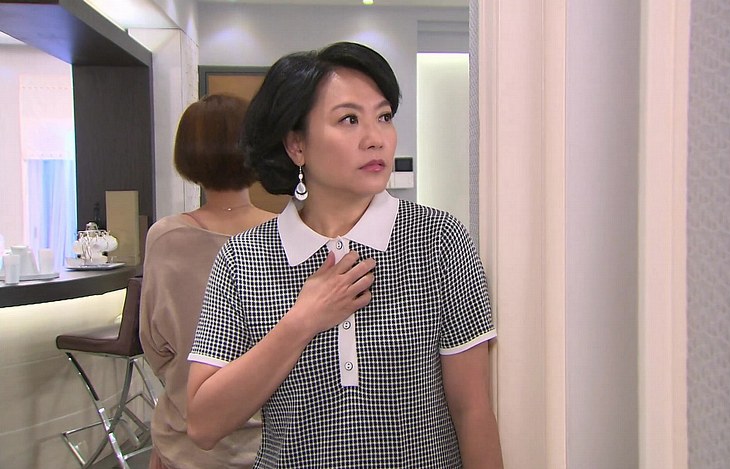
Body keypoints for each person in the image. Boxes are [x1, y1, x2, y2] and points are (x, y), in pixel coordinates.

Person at [186, 42, 503, 468]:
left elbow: (473, 410)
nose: (376, 139)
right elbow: (203, 424)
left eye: (384, 117)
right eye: (349, 120)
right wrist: (302, 321)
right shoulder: (243, 259)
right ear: (296, 145)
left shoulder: (439, 240)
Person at [139, 94, 276, 469]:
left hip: (187, 439)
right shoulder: (288, 235)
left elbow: (155, 345)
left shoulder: (166, 237)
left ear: (187, 155)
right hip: (275, 437)